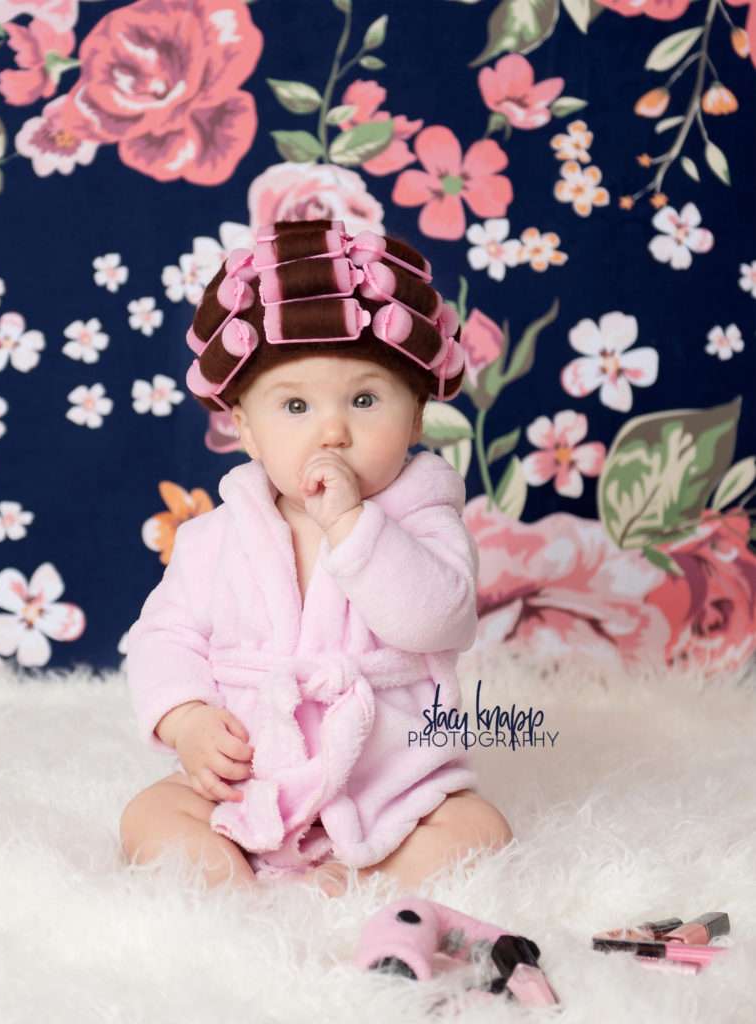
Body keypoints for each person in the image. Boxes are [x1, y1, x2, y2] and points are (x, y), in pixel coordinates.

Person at [120, 219, 513, 898]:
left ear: (416, 417)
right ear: (244, 427)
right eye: (294, 404)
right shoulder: (215, 537)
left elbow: (437, 621)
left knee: (477, 829)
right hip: (251, 781)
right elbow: (164, 637)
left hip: (390, 785)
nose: (332, 429)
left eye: (364, 400)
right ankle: (234, 895)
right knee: (149, 816)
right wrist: (185, 718)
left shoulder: (423, 519)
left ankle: (355, 885)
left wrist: (355, 528)